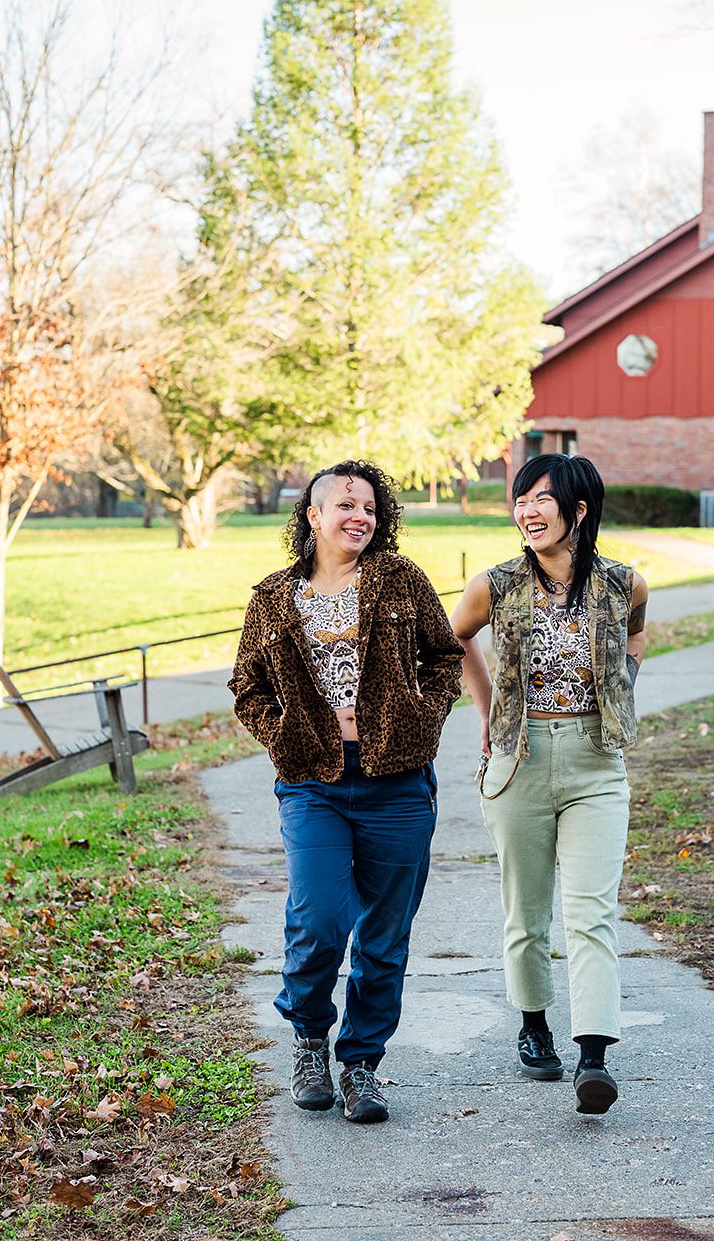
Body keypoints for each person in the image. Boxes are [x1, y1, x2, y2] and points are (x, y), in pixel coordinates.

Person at [229, 460, 463, 1126]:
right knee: (321, 918)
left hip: (397, 780)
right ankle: (309, 1040)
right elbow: (247, 686)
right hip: (313, 784)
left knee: (385, 936)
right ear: (312, 516)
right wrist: (281, 736)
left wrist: (424, 715)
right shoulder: (273, 597)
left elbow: (443, 655)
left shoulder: (400, 580)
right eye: (345, 505)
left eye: (369, 507)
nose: (359, 516)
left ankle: (361, 1065)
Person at [450, 452, 647, 1115]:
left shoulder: (624, 584)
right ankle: (534, 1027)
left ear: (580, 509)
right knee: (527, 910)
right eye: (521, 499)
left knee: (590, 912)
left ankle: (593, 1057)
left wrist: (625, 689)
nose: (527, 511)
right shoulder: (496, 584)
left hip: (596, 762)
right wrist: (486, 712)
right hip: (518, 761)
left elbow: (637, 634)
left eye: (541, 498)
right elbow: (455, 641)